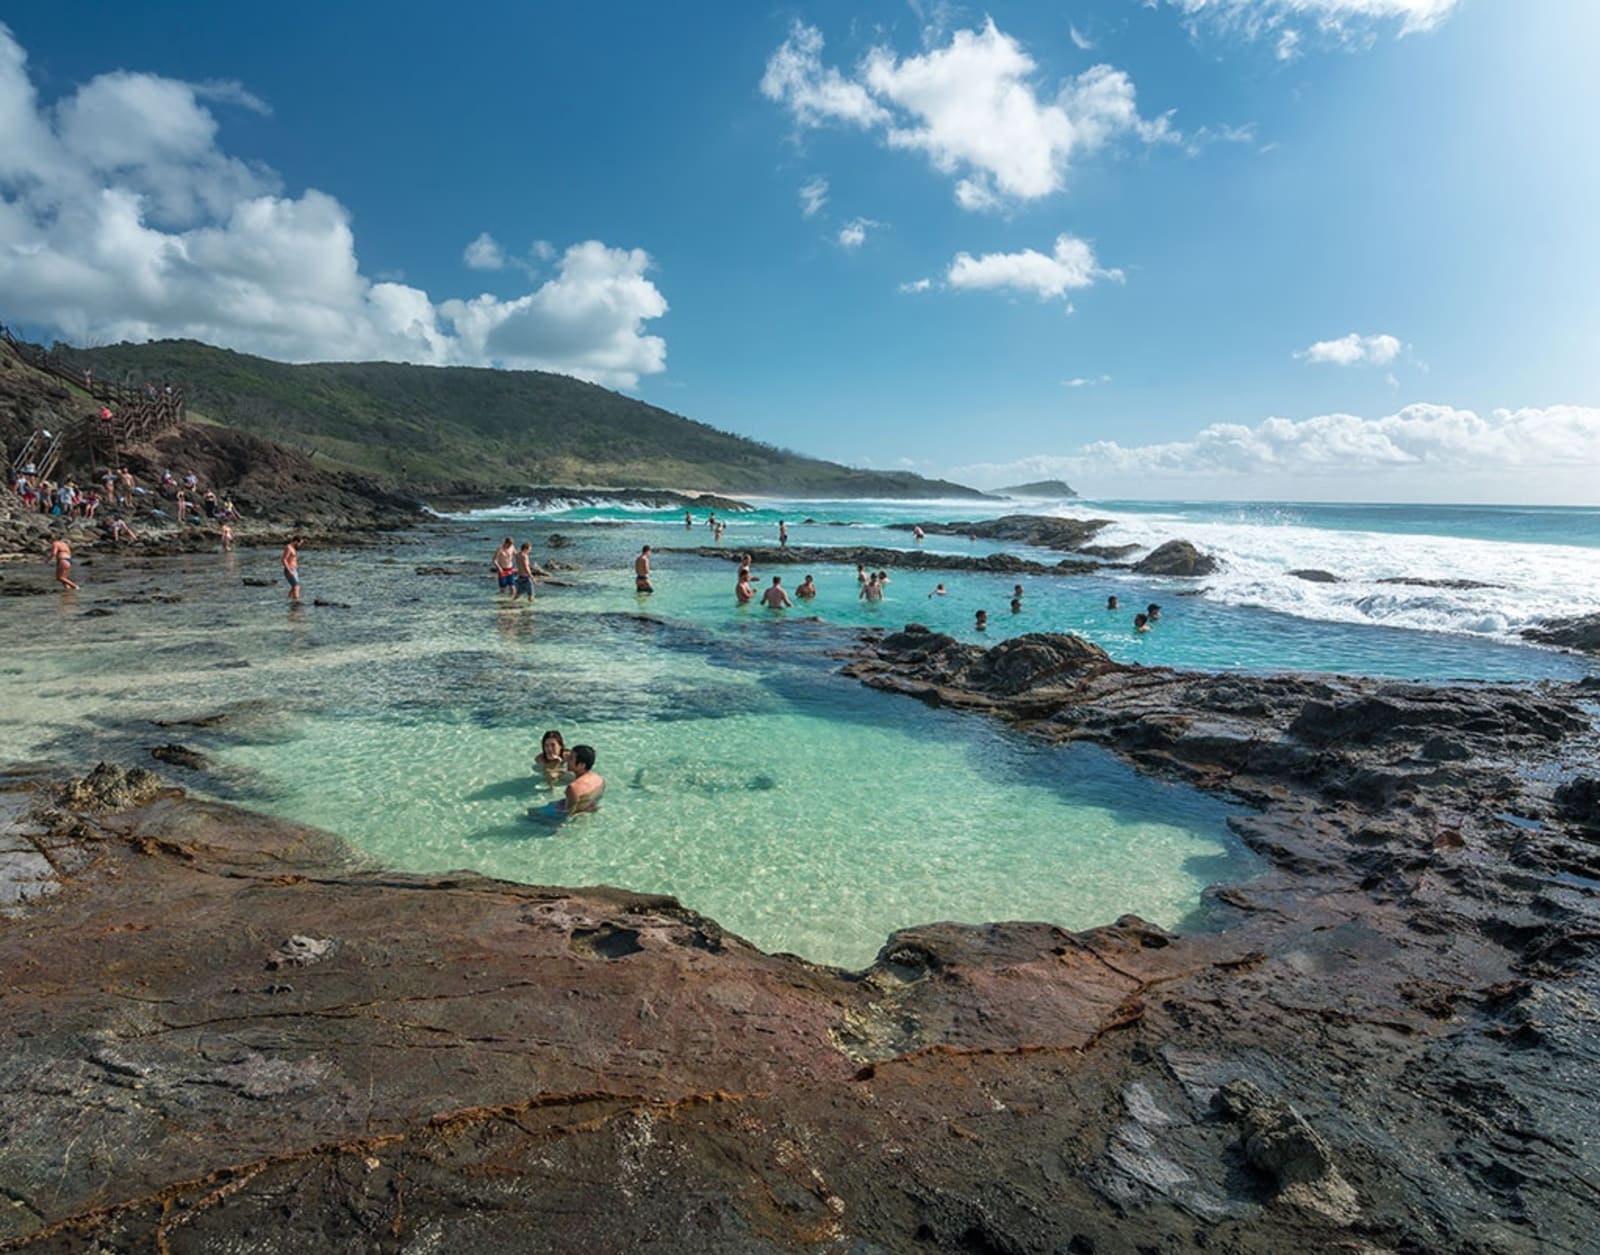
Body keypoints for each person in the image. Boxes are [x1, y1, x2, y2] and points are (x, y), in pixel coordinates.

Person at [282, 536, 302, 601]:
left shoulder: (293, 548)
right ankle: (297, 601)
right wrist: (289, 571)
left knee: (294, 587)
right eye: (300, 543)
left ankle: (289, 600)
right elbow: (284, 559)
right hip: (289, 570)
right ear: (296, 541)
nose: (300, 545)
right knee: (296, 587)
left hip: (294, 570)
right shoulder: (288, 548)